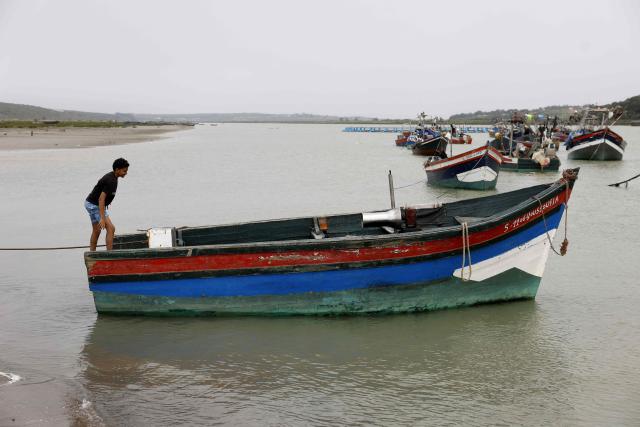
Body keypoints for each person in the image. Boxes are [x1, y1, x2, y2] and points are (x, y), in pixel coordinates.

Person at [85, 158, 129, 251]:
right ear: (117, 170)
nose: (126, 173)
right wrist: (102, 218)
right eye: (124, 171)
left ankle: (92, 253)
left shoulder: (113, 177)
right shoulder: (111, 180)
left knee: (96, 230)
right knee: (111, 228)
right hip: (94, 204)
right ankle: (109, 254)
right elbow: (101, 199)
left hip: (90, 203)